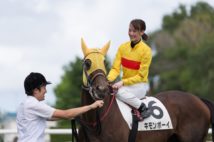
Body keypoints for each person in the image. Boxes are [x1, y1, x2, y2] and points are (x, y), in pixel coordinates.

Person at [16, 72, 104, 142]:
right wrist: (92, 106)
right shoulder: (34, 105)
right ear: (35, 90)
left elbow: (53, 117)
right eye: (44, 87)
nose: (45, 91)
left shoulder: (24, 104)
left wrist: (73, 115)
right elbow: (66, 114)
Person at [107, 19, 152, 119]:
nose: (131, 33)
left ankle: (143, 108)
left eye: (134, 31)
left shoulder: (146, 51)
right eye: (129, 30)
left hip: (139, 86)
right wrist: (108, 80)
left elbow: (141, 76)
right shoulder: (122, 47)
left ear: (142, 32)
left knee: (118, 92)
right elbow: (115, 69)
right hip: (126, 85)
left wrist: (122, 82)